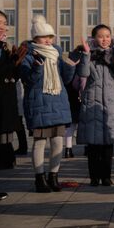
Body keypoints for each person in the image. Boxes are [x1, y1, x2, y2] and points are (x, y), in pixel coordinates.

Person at [19, 15, 75, 192]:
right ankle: (39, 178)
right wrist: (36, 66)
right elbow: (28, 80)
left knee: (58, 142)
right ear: (35, 38)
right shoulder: (27, 55)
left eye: (51, 37)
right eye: (45, 37)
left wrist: (70, 66)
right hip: (39, 104)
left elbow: (65, 79)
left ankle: (54, 176)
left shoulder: (56, 53)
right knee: (40, 142)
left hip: (57, 103)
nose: (49, 40)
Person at [74, 25, 114, 187]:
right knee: (93, 145)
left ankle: (106, 176)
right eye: (101, 36)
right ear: (94, 39)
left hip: (111, 102)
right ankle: (94, 177)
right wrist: (85, 54)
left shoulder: (113, 54)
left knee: (108, 144)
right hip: (92, 100)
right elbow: (83, 73)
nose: (105, 39)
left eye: (107, 36)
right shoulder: (89, 55)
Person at [0, 10, 20, 171]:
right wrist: (11, 63)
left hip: (4, 104)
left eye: (4, 24)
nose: (3, 28)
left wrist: (17, 65)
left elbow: (12, 77)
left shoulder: (4, 48)